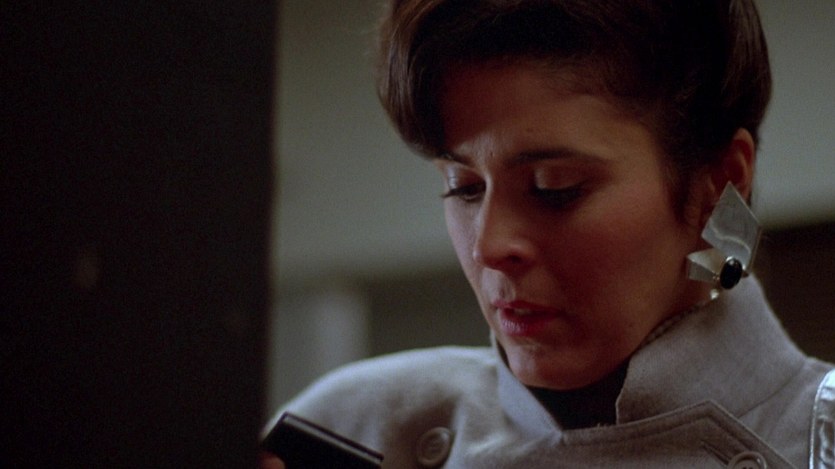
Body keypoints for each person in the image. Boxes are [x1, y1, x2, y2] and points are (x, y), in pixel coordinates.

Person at [262, 1, 834, 467]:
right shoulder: (348, 430)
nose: (489, 247)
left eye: (555, 188)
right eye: (464, 187)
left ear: (721, 181)